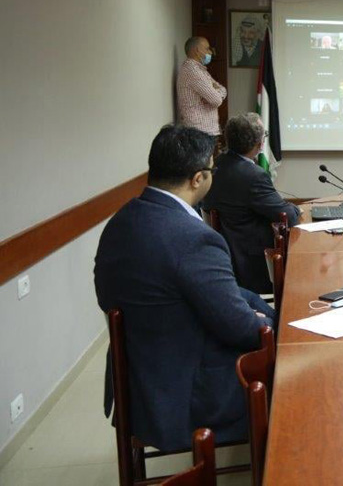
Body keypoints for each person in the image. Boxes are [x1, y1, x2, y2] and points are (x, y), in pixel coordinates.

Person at [94, 125, 274, 452]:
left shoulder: (122, 220)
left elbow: (220, 291)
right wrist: (270, 323)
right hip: (186, 395)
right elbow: (240, 330)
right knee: (290, 370)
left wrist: (262, 310)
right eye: (212, 170)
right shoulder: (192, 238)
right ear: (197, 179)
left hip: (138, 384)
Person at [203, 113, 302, 294]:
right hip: (254, 263)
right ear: (259, 144)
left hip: (226, 255)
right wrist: (296, 208)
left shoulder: (217, 164)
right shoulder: (253, 175)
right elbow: (288, 216)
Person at [176, 36, 227, 137]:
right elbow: (216, 100)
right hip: (199, 132)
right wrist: (215, 92)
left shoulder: (200, 70)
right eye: (207, 49)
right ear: (197, 50)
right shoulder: (192, 70)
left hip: (205, 131)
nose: (210, 52)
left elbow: (223, 89)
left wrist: (215, 92)